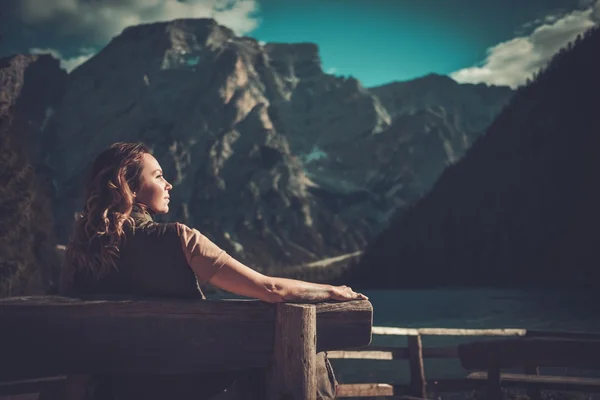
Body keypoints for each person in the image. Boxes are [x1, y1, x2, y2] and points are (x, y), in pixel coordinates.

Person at [62, 142, 368, 400]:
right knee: (305, 353)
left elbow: (76, 340)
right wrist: (332, 291)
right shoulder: (179, 239)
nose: (168, 184)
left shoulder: (79, 252)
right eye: (158, 176)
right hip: (188, 387)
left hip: (117, 389)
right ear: (131, 188)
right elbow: (270, 289)